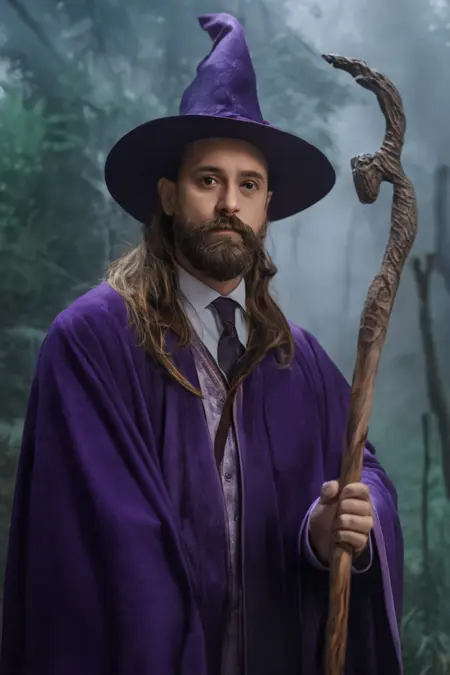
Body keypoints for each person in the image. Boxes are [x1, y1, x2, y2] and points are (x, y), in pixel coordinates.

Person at [0, 12, 403, 675]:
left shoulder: (297, 361)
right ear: (168, 196)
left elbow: (366, 473)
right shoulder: (93, 343)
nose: (228, 204)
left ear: (267, 207)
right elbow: (100, 555)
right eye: (208, 179)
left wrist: (328, 527)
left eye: (249, 185)